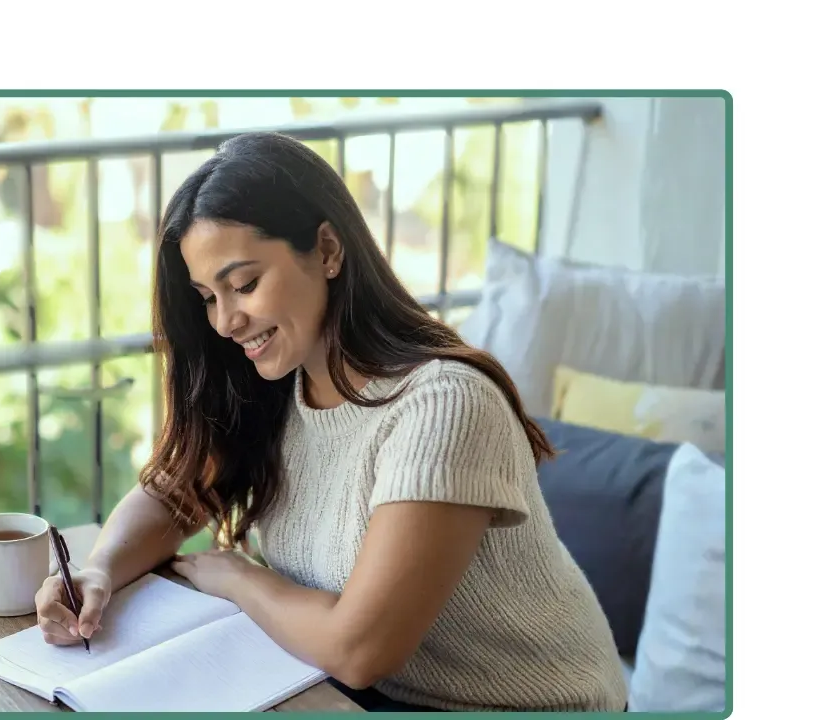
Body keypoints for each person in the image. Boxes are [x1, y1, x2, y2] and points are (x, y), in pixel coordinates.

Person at [33, 131, 628, 712]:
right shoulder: (277, 386)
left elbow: (359, 648)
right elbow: (174, 493)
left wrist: (240, 578)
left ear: (326, 250)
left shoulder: (443, 405)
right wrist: (99, 571)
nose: (224, 322)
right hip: (352, 695)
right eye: (207, 297)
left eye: (244, 285)